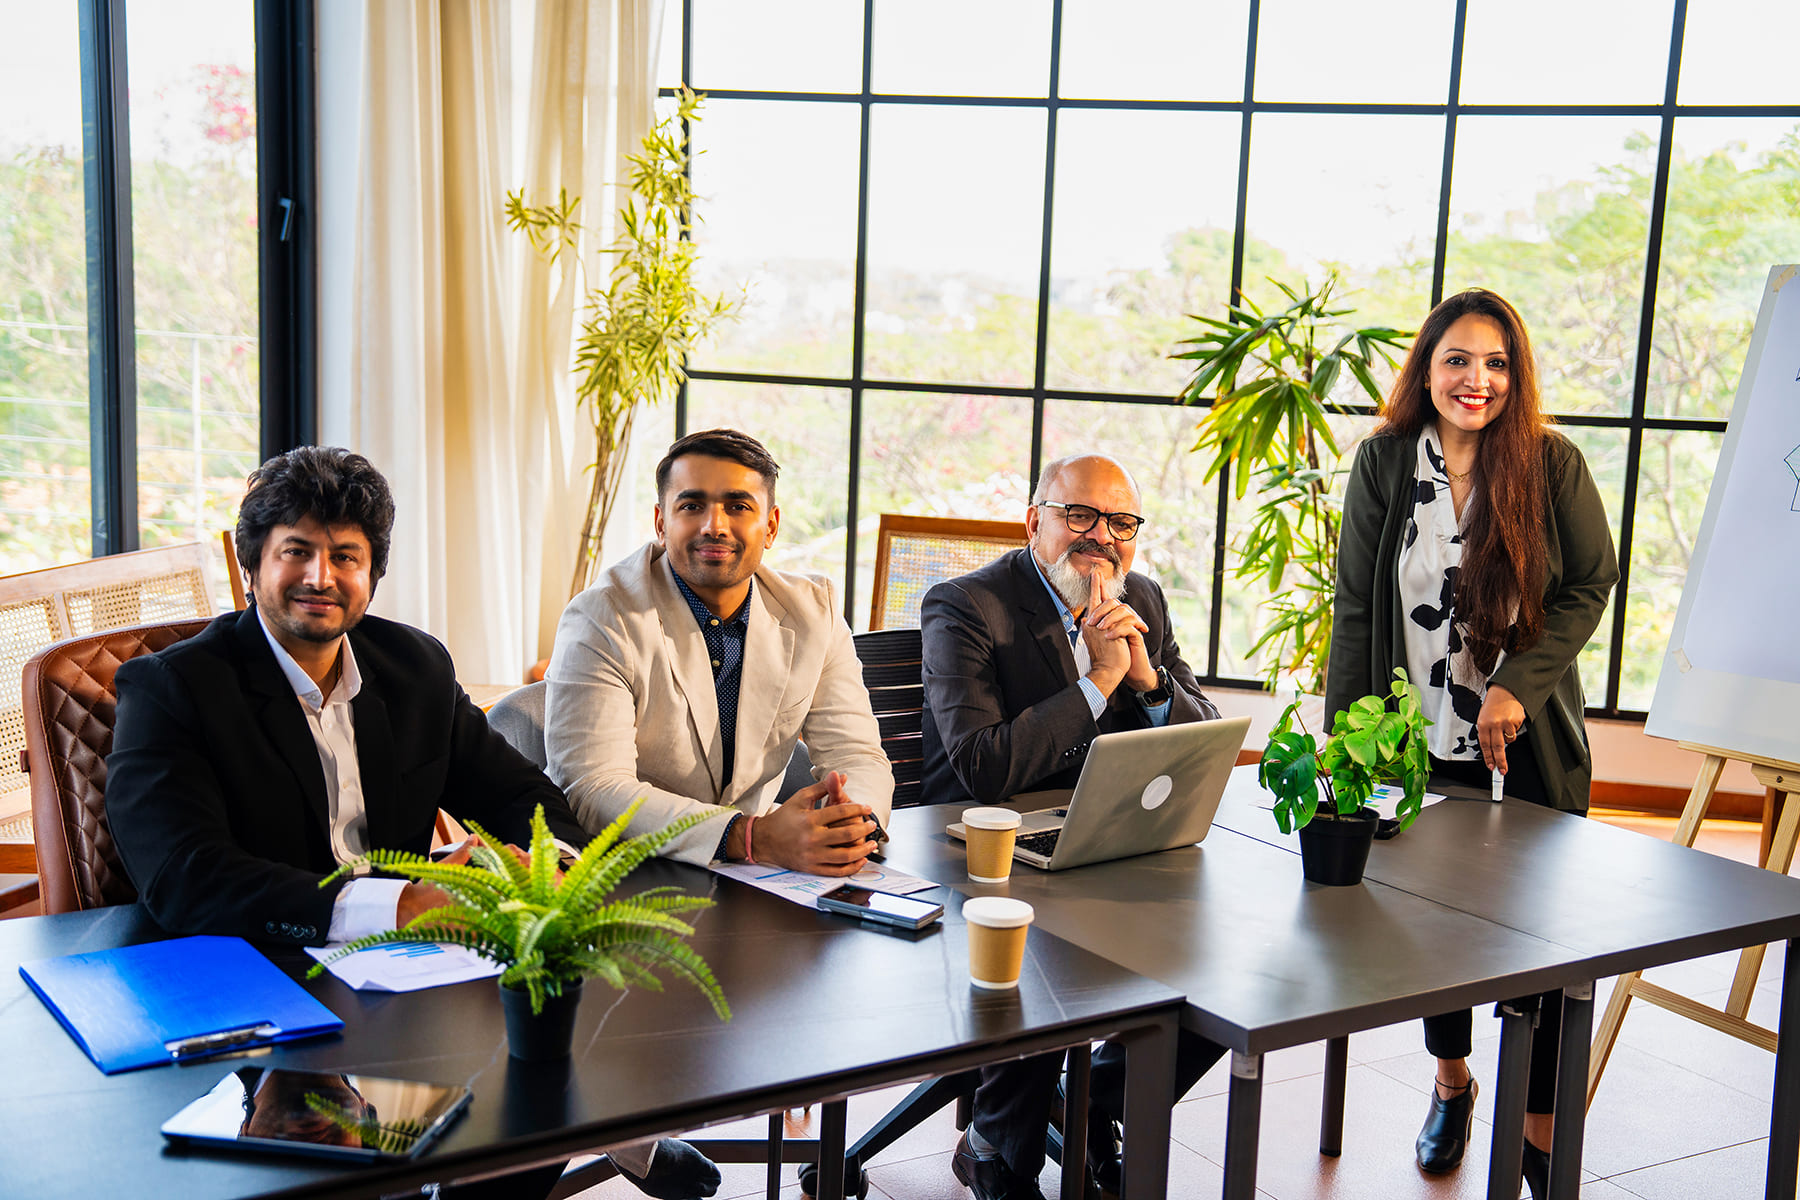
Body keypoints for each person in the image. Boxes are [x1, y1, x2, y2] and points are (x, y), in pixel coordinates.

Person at [106, 446, 710, 1200]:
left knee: (553, 1021)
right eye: (296, 551)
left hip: (402, 975)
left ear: (373, 574)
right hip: (257, 973)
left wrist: (542, 864)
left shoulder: (414, 666)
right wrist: (402, 904)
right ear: (251, 564)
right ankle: (616, 1133)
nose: (321, 576)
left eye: (346, 557)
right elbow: (185, 877)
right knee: (513, 1091)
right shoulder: (172, 688)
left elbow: (518, 792)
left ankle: (603, 1126)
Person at [1326, 289, 1618, 1200]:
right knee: (1435, 936)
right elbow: (1356, 607)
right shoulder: (1383, 461)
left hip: (1524, 746)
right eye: (1457, 359)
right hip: (1412, 739)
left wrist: (1514, 685)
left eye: (1496, 363)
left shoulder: (1551, 463)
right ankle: (1453, 1084)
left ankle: (1537, 1134)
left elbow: (1592, 582)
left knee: (1545, 946)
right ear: (1426, 369)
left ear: (1515, 376)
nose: (1476, 379)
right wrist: (1348, 743)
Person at [920, 452, 1227, 1200]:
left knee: (1223, 967)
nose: (1102, 537)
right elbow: (983, 766)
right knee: (1044, 954)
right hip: (980, 850)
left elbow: (1202, 739)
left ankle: (1096, 1101)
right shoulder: (965, 605)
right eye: (1080, 515)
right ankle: (996, 1148)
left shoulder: (1141, 599)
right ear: (1034, 522)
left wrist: (1148, 681)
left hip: (1101, 839)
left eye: (1121, 522)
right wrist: (1099, 681)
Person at [545, 427, 893, 870]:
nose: (714, 526)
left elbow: (856, 755)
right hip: (632, 870)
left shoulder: (814, 612)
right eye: (692, 506)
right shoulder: (602, 616)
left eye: (738, 506)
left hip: (761, 875)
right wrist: (751, 836)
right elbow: (594, 789)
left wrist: (852, 823)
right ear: (661, 523)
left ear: (770, 526)